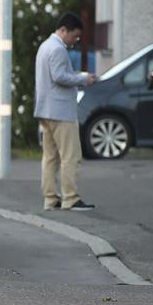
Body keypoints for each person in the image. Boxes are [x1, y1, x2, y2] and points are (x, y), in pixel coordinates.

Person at [37, 12, 97, 211]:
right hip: (61, 111)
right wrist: (83, 79)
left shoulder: (44, 47)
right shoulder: (58, 49)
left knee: (50, 157)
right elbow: (59, 77)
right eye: (74, 36)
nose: (75, 40)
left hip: (45, 110)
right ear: (63, 30)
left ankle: (50, 198)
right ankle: (70, 198)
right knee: (71, 156)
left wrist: (77, 76)